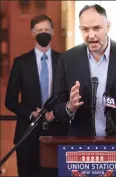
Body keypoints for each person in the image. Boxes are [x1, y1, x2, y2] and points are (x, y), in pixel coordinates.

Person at [52, 4, 116, 138]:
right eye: (85, 29)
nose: (91, 35)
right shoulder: (67, 59)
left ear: (108, 26)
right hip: (81, 144)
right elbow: (56, 107)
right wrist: (70, 107)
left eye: (97, 28)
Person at [5, 15, 68, 177]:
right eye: (40, 30)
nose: (43, 33)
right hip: (27, 134)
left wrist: (56, 113)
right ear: (33, 33)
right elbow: (10, 101)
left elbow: (68, 96)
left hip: (58, 132)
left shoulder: (63, 61)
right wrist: (31, 113)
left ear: (53, 31)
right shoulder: (20, 63)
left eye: (47, 29)